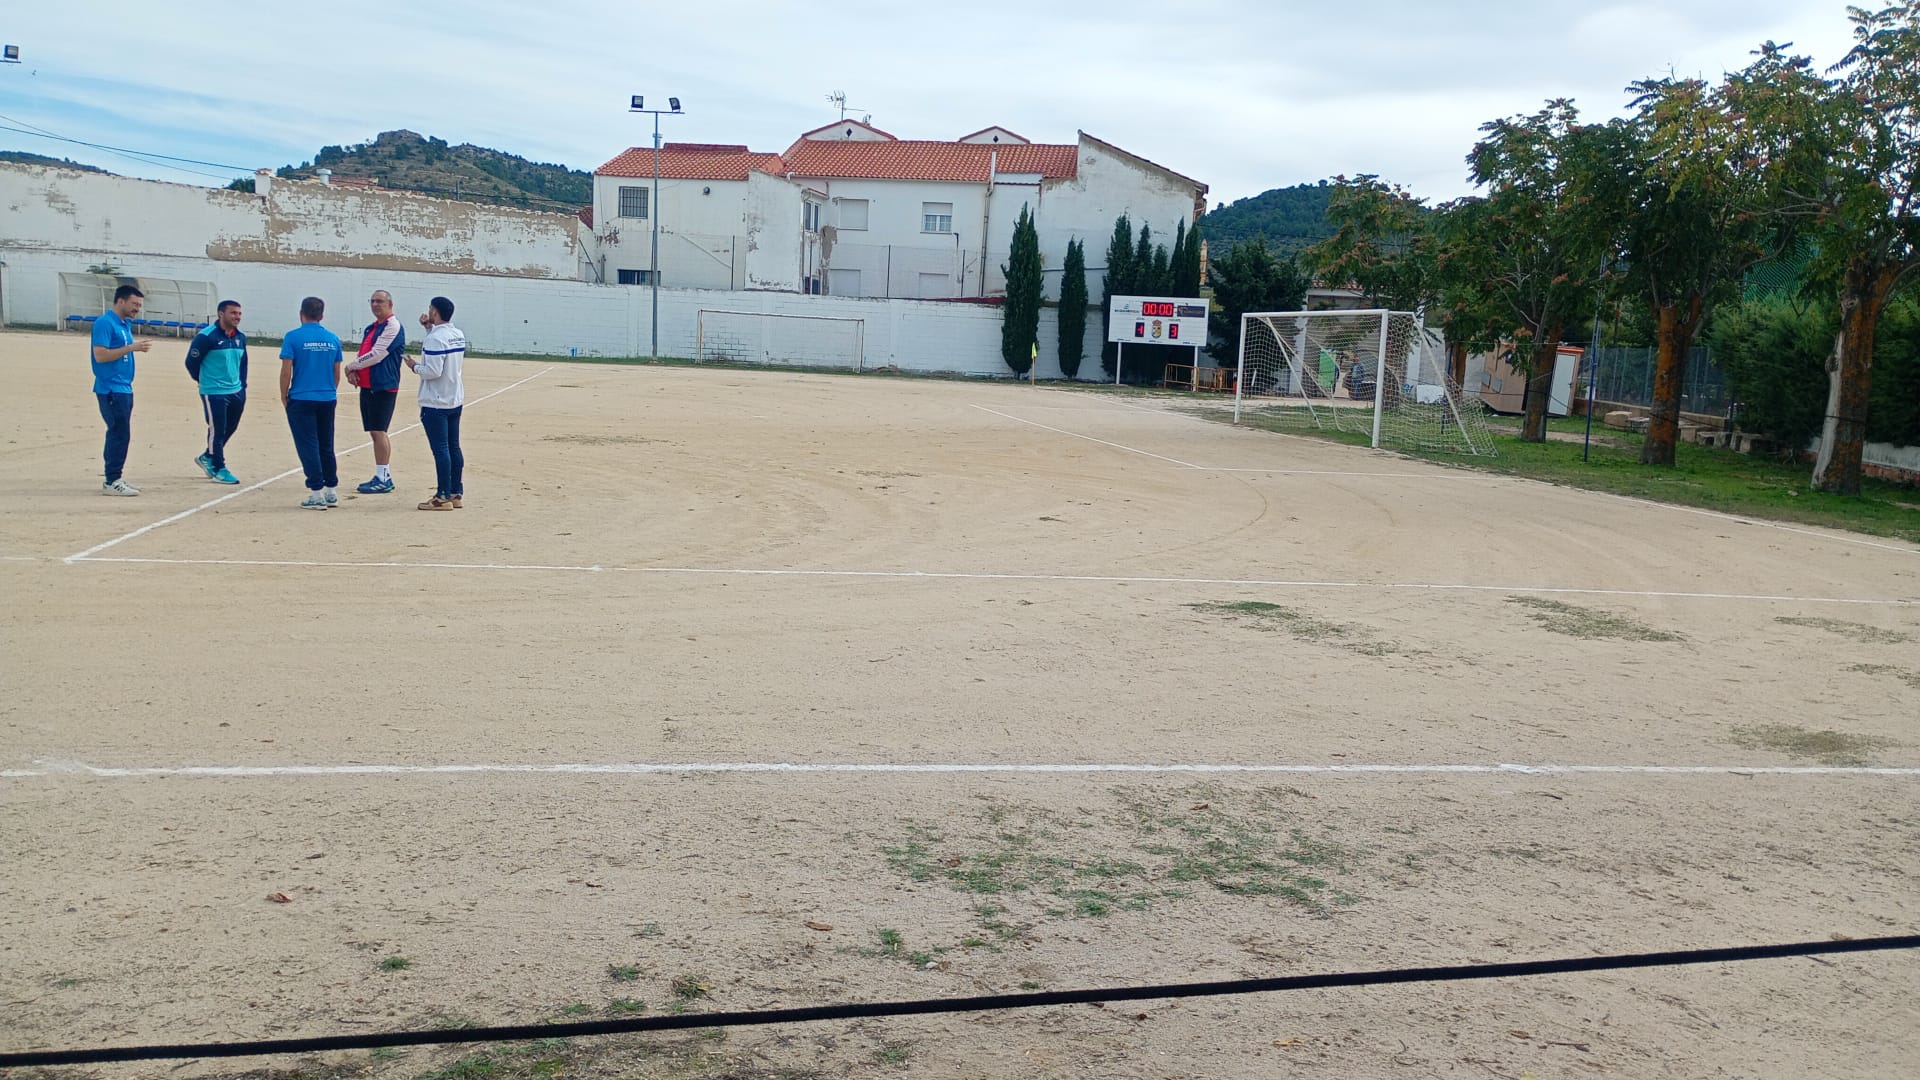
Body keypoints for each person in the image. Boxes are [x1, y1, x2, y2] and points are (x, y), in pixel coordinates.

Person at [279, 297, 344, 510]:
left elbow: (286, 369)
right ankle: (331, 489)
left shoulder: (293, 337)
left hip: (302, 396)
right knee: (326, 444)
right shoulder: (332, 338)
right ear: (322, 315)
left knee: (308, 444)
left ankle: (316, 491)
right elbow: (336, 371)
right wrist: (330, 390)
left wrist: (283, 394)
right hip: (326, 397)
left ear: (301, 313)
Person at [90, 284, 152, 495]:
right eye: (134, 304)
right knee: (118, 432)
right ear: (121, 301)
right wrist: (132, 347)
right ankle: (111, 480)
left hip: (124, 388)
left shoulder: (124, 324)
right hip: (110, 389)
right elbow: (101, 355)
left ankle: (116, 477)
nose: (137, 309)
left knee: (122, 433)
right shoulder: (105, 323)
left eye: (139, 305)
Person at [407, 295, 466, 511]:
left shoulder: (434, 339)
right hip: (454, 397)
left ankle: (442, 496)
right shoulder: (457, 334)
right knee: (453, 446)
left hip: (436, 400)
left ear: (435, 312)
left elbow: (432, 371)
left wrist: (414, 366)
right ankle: (455, 490)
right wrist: (429, 329)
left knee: (441, 449)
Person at [344, 289, 405, 494]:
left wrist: (352, 366)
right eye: (372, 301)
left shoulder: (393, 326)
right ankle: (381, 475)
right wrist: (356, 371)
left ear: (390, 304)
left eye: (379, 301)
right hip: (369, 386)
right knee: (374, 430)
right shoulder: (372, 327)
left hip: (384, 386)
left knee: (379, 431)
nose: (375, 305)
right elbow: (366, 353)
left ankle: (384, 476)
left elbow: (377, 354)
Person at [185, 299, 249, 484]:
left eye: (239, 313)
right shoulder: (206, 337)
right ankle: (218, 467)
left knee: (231, 427)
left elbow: (243, 363)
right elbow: (191, 363)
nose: (237, 317)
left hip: (236, 390)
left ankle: (207, 456)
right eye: (233, 313)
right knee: (217, 429)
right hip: (213, 391)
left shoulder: (240, 337)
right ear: (221, 314)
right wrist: (203, 381)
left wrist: (242, 385)